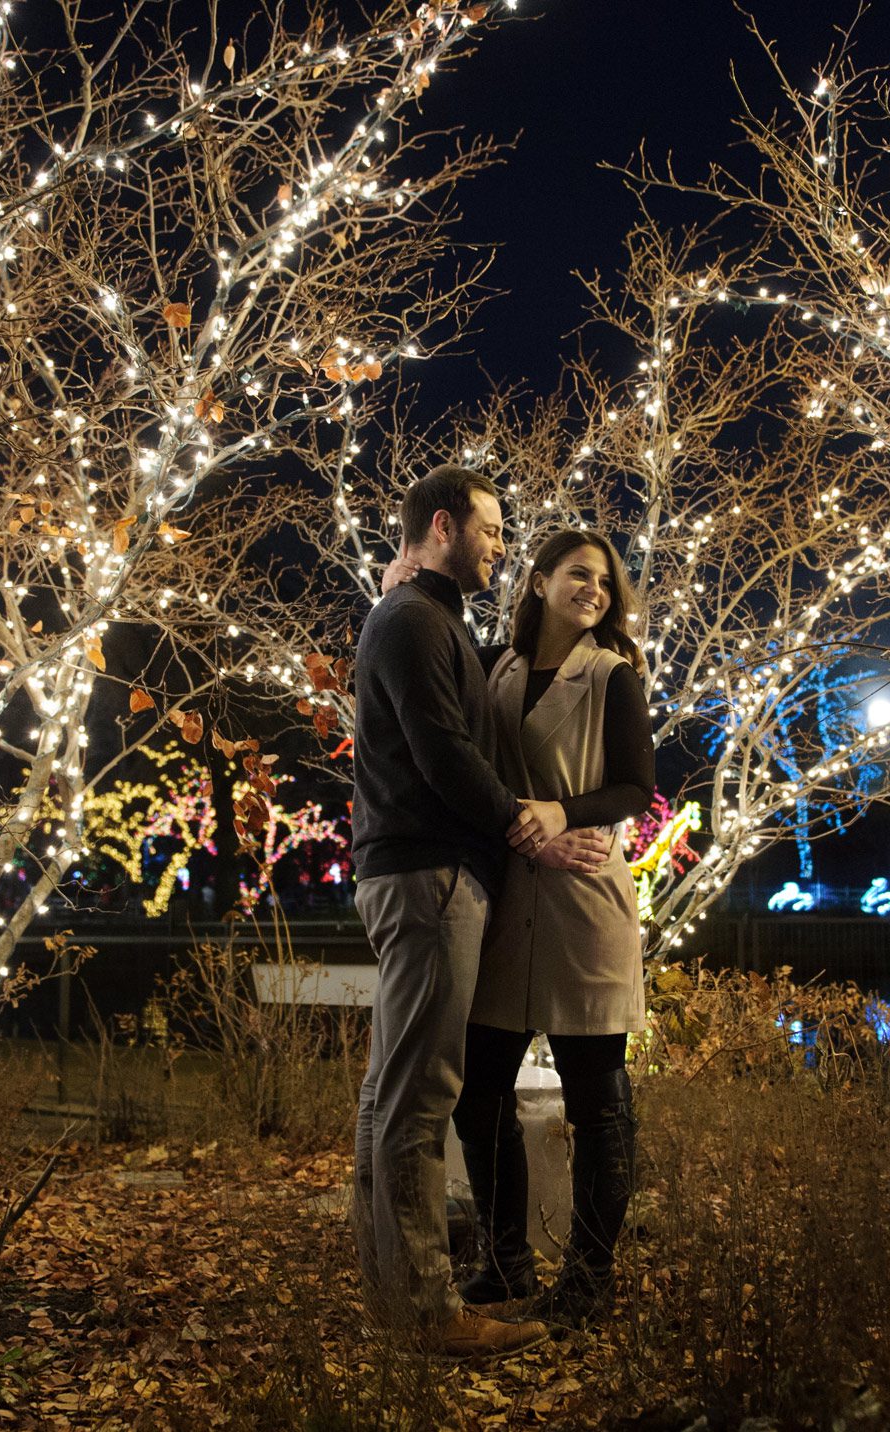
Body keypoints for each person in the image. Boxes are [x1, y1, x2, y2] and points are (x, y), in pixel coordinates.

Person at [350, 464, 605, 1359]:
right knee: (421, 1097)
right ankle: (426, 1311)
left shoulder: (424, 616)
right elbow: (444, 753)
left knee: (392, 1092)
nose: (503, 548)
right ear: (446, 527)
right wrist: (529, 833)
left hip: (420, 874)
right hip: (430, 878)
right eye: (493, 532)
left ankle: (392, 1289)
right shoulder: (415, 622)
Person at [394, 530, 654, 1327]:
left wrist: (562, 813)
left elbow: (635, 788)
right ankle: (505, 1265)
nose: (596, 591)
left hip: (583, 901)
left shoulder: (614, 675)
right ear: (537, 582)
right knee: (479, 1091)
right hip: (509, 900)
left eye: (605, 582)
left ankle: (588, 1281)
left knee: (598, 1101)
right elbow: (427, 665)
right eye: (579, 575)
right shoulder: (493, 667)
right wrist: (399, 581)